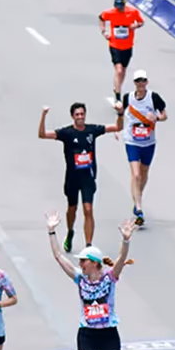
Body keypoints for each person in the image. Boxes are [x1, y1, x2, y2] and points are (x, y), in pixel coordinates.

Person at [45, 211, 135, 350]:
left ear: (95, 263)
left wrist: (126, 240)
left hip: (109, 333)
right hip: (87, 334)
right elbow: (59, 256)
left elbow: (121, 259)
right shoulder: (80, 278)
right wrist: (51, 232)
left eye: (83, 261)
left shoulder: (110, 277)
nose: (80, 265)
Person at [37, 104, 125, 252]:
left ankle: (88, 245)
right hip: (72, 178)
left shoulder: (92, 130)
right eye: (77, 115)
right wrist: (44, 115)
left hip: (88, 178)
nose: (80, 117)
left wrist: (120, 114)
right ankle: (70, 232)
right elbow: (42, 134)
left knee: (88, 209)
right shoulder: (67, 133)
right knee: (72, 208)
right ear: (73, 116)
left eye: (82, 114)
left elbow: (117, 127)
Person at [119, 71, 166, 226]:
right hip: (132, 140)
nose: (140, 84)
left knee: (144, 173)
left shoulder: (153, 97)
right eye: (137, 81)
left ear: (146, 82)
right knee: (136, 174)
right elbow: (121, 113)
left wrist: (157, 117)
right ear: (134, 83)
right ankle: (139, 207)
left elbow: (165, 115)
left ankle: (137, 197)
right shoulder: (128, 97)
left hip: (148, 141)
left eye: (143, 81)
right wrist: (118, 129)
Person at [100, 0, 145, 105]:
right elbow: (101, 19)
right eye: (117, 6)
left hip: (128, 46)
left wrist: (135, 26)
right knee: (119, 70)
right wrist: (104, 32)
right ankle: (118, 96)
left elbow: (141, 22)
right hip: (114, 45)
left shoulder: (133, 12)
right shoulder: (110, 13)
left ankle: (117, 87)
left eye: (121, 6)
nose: (119, 8)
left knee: (123, 71)